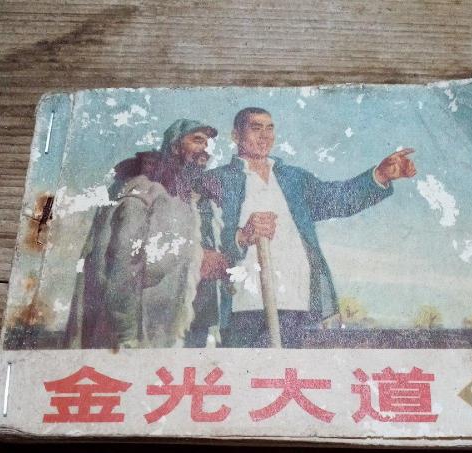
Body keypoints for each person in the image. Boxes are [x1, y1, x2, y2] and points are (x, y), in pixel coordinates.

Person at [199, 107, 416, 348]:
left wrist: (381, 175)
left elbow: (337, 200)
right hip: (244, 304)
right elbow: (204, 243)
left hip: (297, 300)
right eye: (256, 128)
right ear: (236, 136)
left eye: (269, 128)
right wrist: (243, 236)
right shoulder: (215, 181)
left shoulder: (294, 179)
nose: (264, 136)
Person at [65, 119, 229, 349]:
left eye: (208, 143)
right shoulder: (144, 188)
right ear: (175, 146)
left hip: (184, 325)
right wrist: (126, 334)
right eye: (197, 140)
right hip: (140, 329)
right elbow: (123, 260)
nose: (205, 149)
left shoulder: (193, 194)